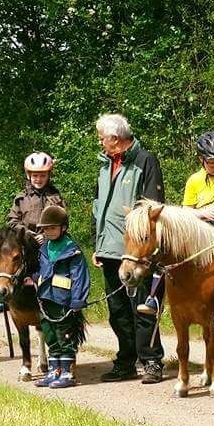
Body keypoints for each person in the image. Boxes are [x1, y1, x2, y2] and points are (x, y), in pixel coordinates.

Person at [91, 113, 166, 384]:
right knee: (118, 309)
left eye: (102, 138)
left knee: (144, 306)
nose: (100, 142)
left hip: (137, 251)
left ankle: (152, 360)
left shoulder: (145, 160)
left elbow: (152, 206)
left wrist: (141, 249)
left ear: (116, 138)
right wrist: (97, 244)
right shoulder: (103, 165)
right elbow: (98, 206)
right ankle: (126, 360)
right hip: (109, 248)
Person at [138, 131, 214, 318]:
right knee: (168, 252)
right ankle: (154, 298)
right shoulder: (194, 181)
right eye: (212, 162)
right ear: (201, 159)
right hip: (199, 229)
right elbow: (185, 211)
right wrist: (203, 212)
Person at [0, 151, 66, 313]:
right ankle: (1, 296)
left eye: (42, 175)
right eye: (35, 175)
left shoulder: (55, 197)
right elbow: (12, 220)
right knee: (9, 261)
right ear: (28, 175)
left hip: (50, 241)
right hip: (26, 243)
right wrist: (27, 234)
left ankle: (64, 298)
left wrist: (46, 236)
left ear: (48, 175)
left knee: (61, 263)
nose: (38, 179)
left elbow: (62, 220)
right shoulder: (21, 198)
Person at [33, 205, 90, 389]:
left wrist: (78, 300)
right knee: (50, 334)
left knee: (65, 336)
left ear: (63, 228)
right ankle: (53, 370)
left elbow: (80, 276)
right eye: (45, 229)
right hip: (46, 299)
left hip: (64, 301)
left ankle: (67, 372)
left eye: (52, 228)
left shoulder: (72, 250)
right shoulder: (45, 248)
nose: (48, 232)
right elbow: (43, 271)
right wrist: (33, 279)